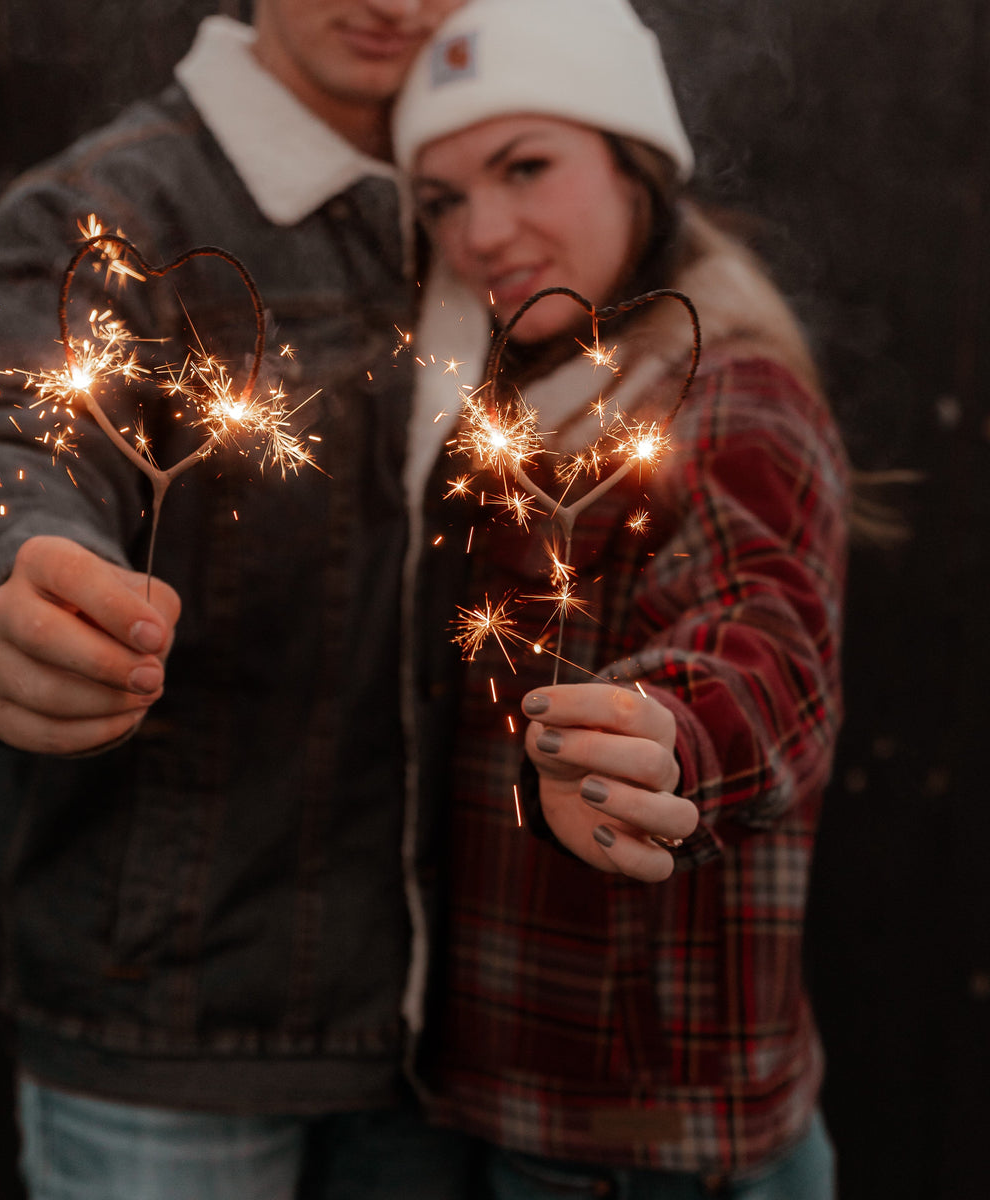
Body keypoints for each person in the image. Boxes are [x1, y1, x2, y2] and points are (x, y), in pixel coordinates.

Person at [0, 3, 477, 1197]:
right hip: (164, 1031)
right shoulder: (105, 213)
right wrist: (12, 577)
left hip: (445, 1044)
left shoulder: (505, 199)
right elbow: (6, 432)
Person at [392, 0, 846, 1194]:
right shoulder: (522, 399)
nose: (483, 231)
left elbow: (769, 641)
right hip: (520, 1095)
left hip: (642, 1137)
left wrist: (668, 741)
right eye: (441, 199)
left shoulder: (726, 395)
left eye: (525, 166)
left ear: (634, 163)